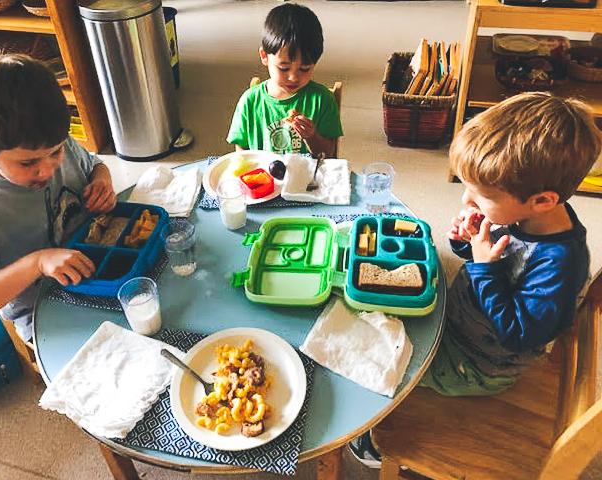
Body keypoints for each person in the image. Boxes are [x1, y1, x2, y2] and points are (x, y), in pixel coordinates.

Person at [350, 92, 602, 468]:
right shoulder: (521, 213)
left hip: (477, 366)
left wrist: (484, 268)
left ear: (543, 201)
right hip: (460, 320)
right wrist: (468, 244)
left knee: (373, 353)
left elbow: (518, 333)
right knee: (376, 300)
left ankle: (375, 445)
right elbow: (495, 260)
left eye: (481, 197)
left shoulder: (562, 265)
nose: (468, 200)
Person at [0, 54, 117, 341]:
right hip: (47, 316)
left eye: (56, 152)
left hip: (100, 271)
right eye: (27, 163)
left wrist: (101, 180)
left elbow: (96, 164)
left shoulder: (50, 142)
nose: (48, 168)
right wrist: (38, 263)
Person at [227, 2, 343, 157]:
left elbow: (328, 154)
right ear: (264, 56)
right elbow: (240, 151)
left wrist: (311, 136)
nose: (293, 77)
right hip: (264, 178)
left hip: (308, 179)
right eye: (284, 68)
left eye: (304, 69)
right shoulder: (250, 101)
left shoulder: (322, 100)